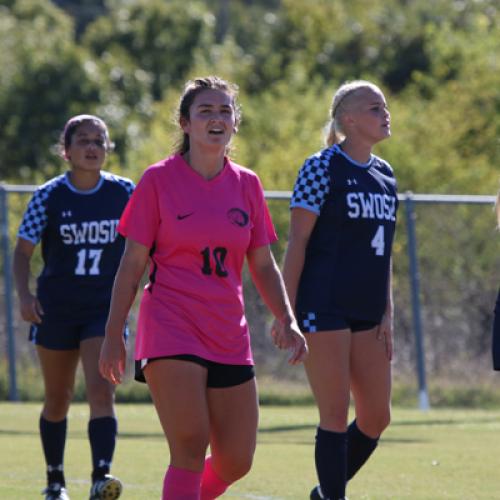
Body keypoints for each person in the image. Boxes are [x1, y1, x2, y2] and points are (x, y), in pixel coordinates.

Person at [99, 76, 307, 500]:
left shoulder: (247, 184)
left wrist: (287, 317)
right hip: (170, 326)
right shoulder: (157, 180)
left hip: (229, 332)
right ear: (185, 124)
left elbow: (263, 264)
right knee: (190, 445)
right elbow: (131, 266)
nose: (217, 118)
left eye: (225, 111)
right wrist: (112, 335)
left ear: (235, 124)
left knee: (236, 460)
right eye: (205, 111)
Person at [279, 80, 398, 500]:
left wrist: (388, 311)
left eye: (384, 106)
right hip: (323, 306)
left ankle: (325, 491)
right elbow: (298, 243)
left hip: (367, 311)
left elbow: (381, 255)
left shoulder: (385, 175)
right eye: (373, 108)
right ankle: (334, 496)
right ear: (348, 119)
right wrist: (286, 313)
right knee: (334, 413)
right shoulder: (321, 167)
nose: (384, 113)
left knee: (376, 417)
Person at [13, 115, 134, 500]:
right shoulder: (48, 195)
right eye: (83, 140)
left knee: (102, 391)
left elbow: (147, 243)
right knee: (58, 397)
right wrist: (24, 296)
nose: (92, 147)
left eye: (100, 140)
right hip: (57, 309)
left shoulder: (125, 192)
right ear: (66, 151)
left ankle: (101, 478)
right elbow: (22, 252)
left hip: (103, 308)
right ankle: (55, 481)